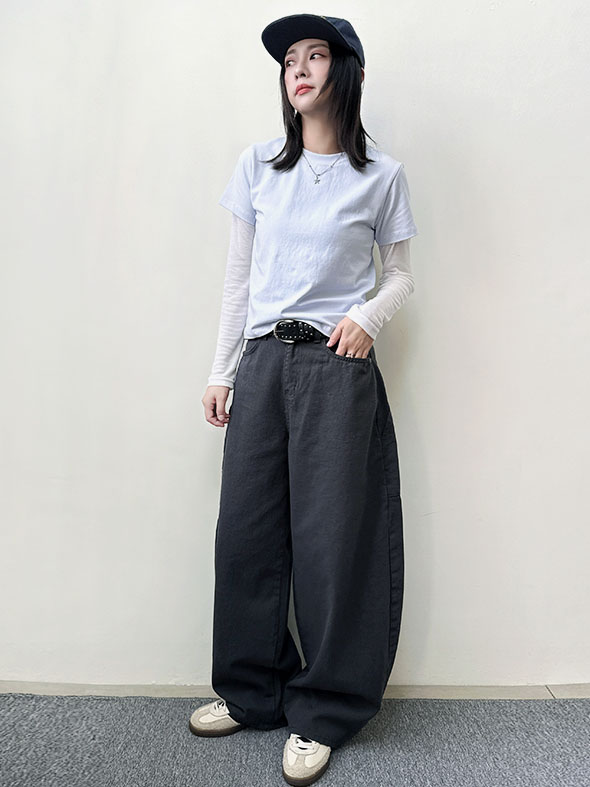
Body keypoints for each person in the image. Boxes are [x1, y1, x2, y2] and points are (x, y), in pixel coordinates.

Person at [189, 13, 418, 786]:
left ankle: (323, 709)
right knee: (246, 534)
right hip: (261, 362)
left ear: (348, 71)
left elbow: (400, 275)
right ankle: (252, 691)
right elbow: (238, 279)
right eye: (291, 59)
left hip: (335, 366)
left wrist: (366, 318)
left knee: (333, 542)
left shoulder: (381, 175)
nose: (300, 69)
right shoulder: (258, 165)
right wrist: (221, 371)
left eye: (316, 55)